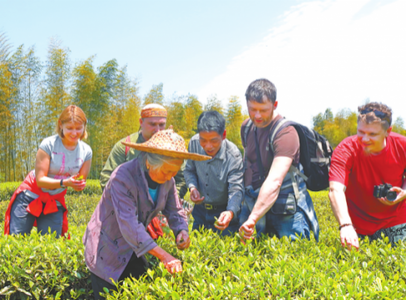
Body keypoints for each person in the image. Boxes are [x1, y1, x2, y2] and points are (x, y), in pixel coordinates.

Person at [83, 129, 210, 300]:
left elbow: (175, 210)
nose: (170, 177)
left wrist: (181, 230)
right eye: (166, 171)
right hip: (107, 248)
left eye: (174, 172)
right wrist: (165, 256)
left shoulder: (168, 181)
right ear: (149, 162)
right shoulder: (122, 177)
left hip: (135, 248)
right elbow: (130, 225)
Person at [239, 78, 319, 241]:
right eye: (252, 109)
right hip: (256, 202)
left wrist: (252, 218)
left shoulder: (286, 133)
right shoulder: (246, 127)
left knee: (292, 259)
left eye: (263, 110)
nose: (257, 115)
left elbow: (275, 181)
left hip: (287, 209)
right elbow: (248, 164)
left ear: (275, 105)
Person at [4, 105, 92, 238]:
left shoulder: (86, 151)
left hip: (54, 200)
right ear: (60, 125)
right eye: (69, 128)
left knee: (51, 242)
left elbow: (80, 183)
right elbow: (40, 180)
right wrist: (65, 182)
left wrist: (78, 184)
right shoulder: (49, 144)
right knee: (17, 239)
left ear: (84, 126)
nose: (74, 133)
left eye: (79, 128)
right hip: (29, 195)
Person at [329, 102, 406, 249]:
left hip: (397, 222)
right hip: (357, 226)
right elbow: (335, 190)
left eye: (372, 134)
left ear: (388, 131)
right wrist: (345, 225)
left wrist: (404, 192)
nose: (365, 139)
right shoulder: (346, 149)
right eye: (361, 132)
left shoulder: (402, 145)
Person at [99, 103, 187, 199]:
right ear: (141, 122)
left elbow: (181, 179)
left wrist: (168, 202)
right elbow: (106, 178)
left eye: (161, 125)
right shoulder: (124, 146)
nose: (157, 130)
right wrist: (125, 202)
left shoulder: (173, 147)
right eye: (152, 124)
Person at [184, 111, 244, 236]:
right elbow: (189, 170)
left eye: (214, 140)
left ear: (224, 135)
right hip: (200, 211)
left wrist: (230, 212)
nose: (208, 146)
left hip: (223, 212)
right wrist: (192, 187)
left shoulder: (233, 155)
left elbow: (236, 189)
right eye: (203, 140)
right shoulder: (194, 143)